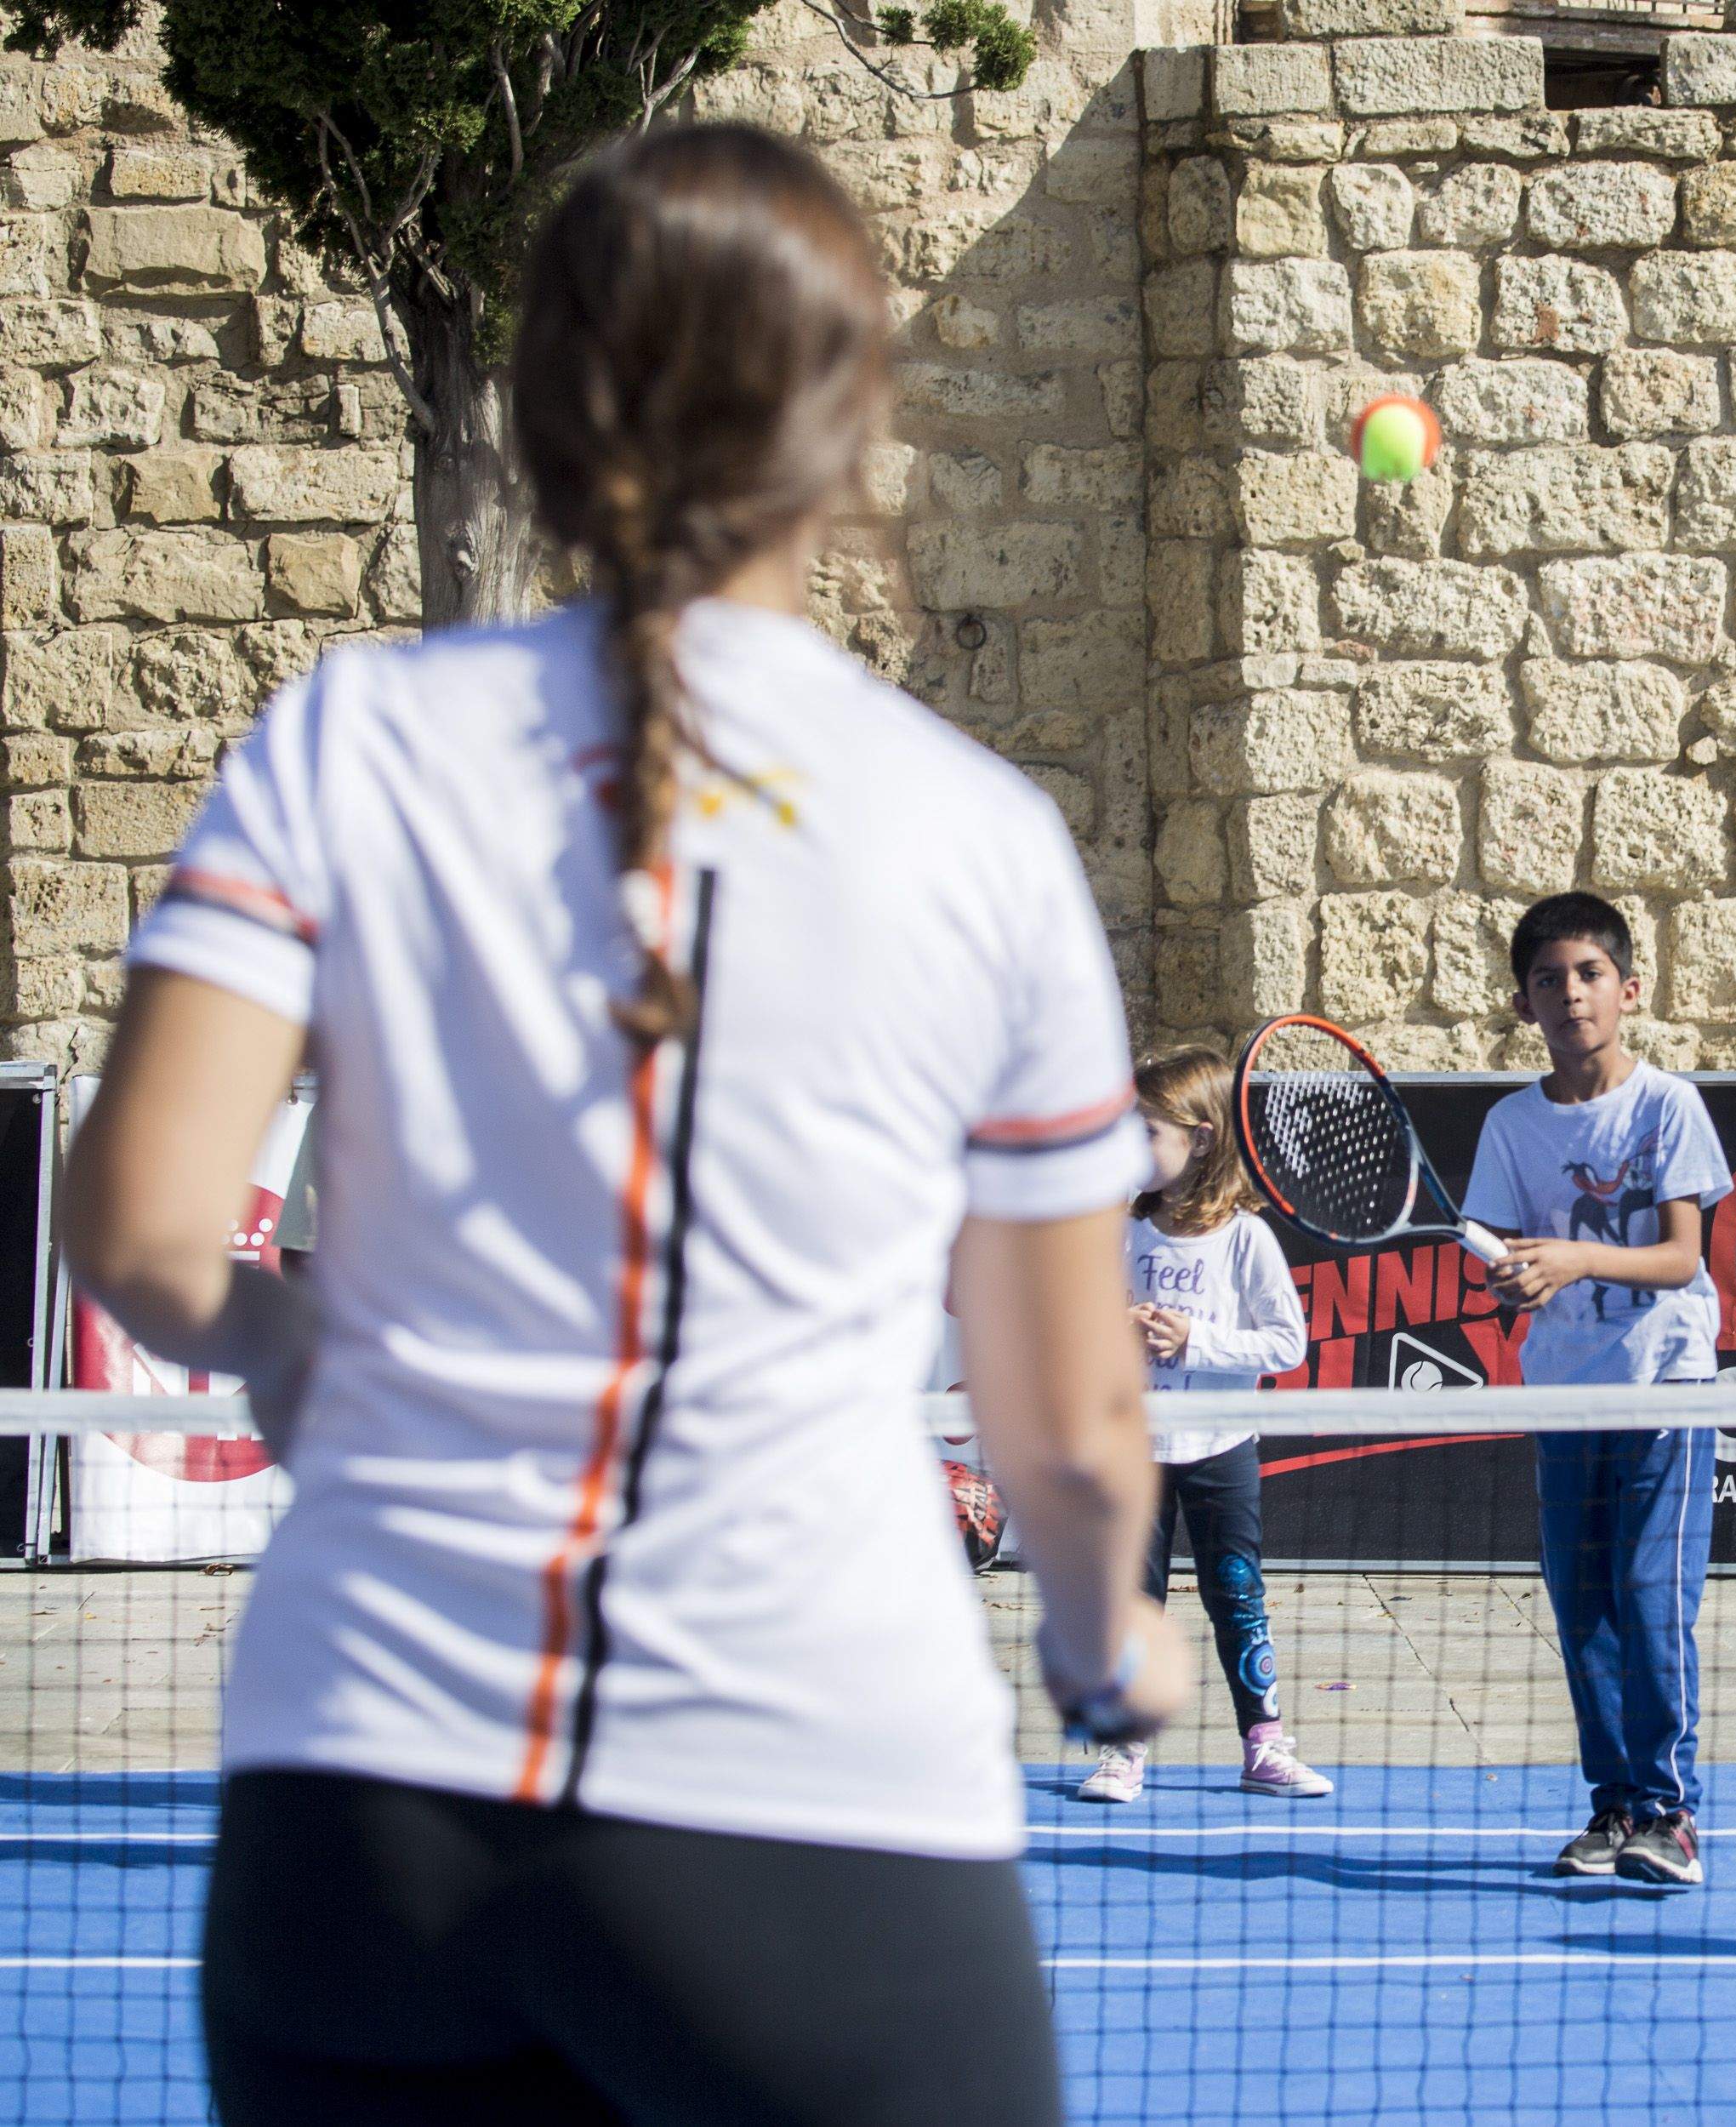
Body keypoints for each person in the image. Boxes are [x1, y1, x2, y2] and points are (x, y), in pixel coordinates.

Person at [57, 125, 1192, 2125]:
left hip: (362, 1808)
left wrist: (279, 1336)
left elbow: (140, 1225)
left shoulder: (348, 739)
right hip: (816, 1802)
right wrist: (1112, 1655)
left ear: (550, 403)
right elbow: (1070, 1426)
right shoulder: (977, 840)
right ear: (854, 423)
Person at [1460, 892, 1733, 1891]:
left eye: (1587, 975)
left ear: (1627, 989)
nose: (1570, 995)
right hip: (1565, 1399)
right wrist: (1510, 1277)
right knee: (1584, 1611)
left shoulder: (1667, 1106)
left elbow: (1678, 1257)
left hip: (1668, 1394)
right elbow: (1495, 1258)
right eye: (1547, 980)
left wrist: (1572, 1257)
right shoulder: (1509, 1123)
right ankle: (1613, 1806)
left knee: (1652, 1600)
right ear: (1523, 1003)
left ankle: (1670, 1813)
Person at [1079, 1048, 1327, 1807]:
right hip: (1133, 1452)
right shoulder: (1120, 1230)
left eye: (1146, 1131)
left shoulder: (1246, 1238)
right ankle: (1123, 1747)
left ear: (1203, 1138)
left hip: (1220, 1451)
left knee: (1237, 1596)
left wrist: (1195, 1340)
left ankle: (1264, 1744)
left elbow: (1287, 1344)